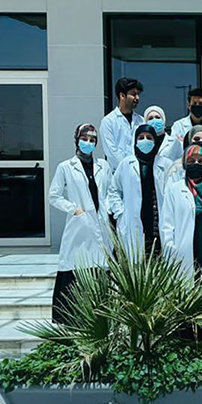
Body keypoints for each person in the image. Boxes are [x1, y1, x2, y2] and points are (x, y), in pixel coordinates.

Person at [48, 124, 111, 322]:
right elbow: (53, 195)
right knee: (76, 268)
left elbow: (109, 192)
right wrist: (73, 209)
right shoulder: (66, 167)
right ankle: (71, 319)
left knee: (100, 268)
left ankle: (99, 318)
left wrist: (109, 210)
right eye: (84, 139)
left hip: (101, 223)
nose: (88, 143)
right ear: (76, 140)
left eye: (92, 140)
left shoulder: (104, 166)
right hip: (79, 226)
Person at [159, 144, 202, 277]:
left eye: (200, 161)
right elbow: (166, 225)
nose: (196, 163)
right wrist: (171, 250)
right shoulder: (174, 190)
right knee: (185, 285)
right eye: (191, 161)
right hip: (182, 251)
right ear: (185, 164)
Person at [107, 123, 173, 257]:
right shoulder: (126, 164)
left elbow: (173, 194)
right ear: (135, 141)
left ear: (155, 141)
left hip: (156, 221)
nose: (145, 140)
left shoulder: (166, 164)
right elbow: (114, 190)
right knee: (135, 259)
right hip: (132, 220)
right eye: (141, 137)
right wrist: (120, 213)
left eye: (149, 137)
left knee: (157, 257)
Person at [160, 88, 202, 163]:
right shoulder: (178, 126)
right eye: (194, 103)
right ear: (189, 105)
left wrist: (186, 145)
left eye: (200, 103)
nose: (197, 106)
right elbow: (174, 151)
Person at [100, 77, 144, 171]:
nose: (137, 98)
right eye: (133, 94)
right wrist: (127, 170)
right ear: (122, 96)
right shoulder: (108, 121)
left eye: (138, 94)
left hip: (138, 173)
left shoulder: (141, 121)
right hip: (117, 173)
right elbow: (111, 152)